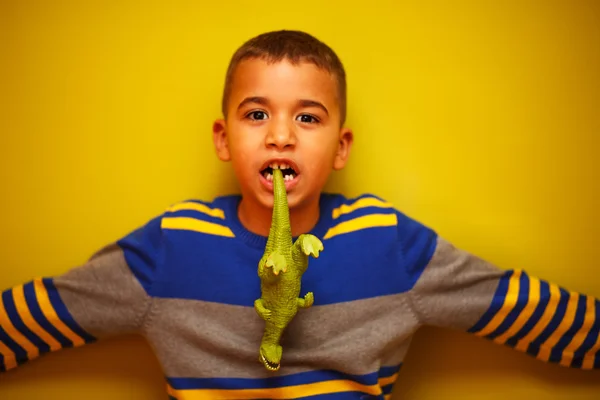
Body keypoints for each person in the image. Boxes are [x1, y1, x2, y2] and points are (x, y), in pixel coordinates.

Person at [0, 29, 598, 400]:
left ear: (340, 146)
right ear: (223, 138)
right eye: (256, 114)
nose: (281, 136)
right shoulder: (172, 245)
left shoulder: (386, 241)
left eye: (307, 117)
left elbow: (525, 309)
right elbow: (37, 313)